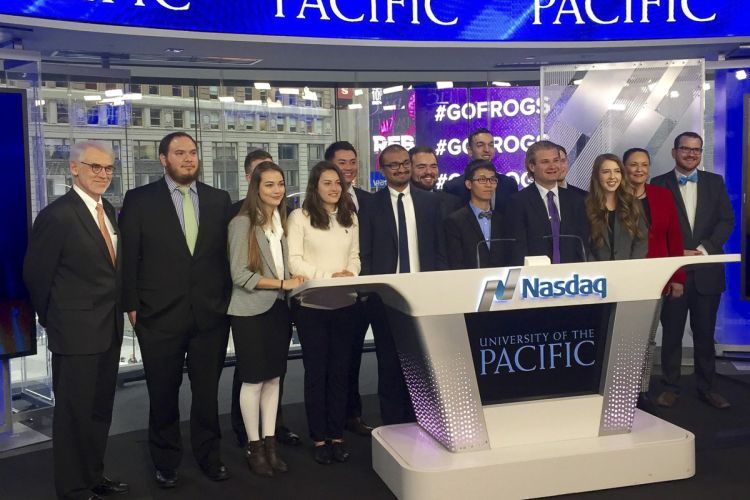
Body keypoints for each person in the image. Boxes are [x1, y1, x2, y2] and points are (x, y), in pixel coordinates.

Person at [119, 132, 232, 488]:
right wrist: (132, 308)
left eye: (193, 153)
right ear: (163, 158)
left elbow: (225, 259)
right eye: (180, 153)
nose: (188, 159)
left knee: (207, 395)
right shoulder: (139, 200)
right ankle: (165, 461)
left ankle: (209, 456)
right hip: (157, 317)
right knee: (163, 394)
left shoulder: (218, 199)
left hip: (210, 316)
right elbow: (128, 260)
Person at [24, 141, 129, 500]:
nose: (102, 174)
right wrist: (54, 321)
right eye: (94, 167)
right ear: (74, 168)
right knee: (73, 415)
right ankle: (72, 488)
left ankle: (94, 476)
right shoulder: (57, 215)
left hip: (110, 329)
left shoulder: (109, 210)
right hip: (75, 333)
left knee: (100, 411)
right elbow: (37, 276)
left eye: (108, 169)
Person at [359, 144, 447, 425]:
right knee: (389, 364)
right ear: (382, 170)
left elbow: (438, 249)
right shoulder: (371, 205)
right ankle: (394, 426)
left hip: (425, 295)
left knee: (424, 363)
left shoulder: (430, 202)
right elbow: (366, 251)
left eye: (405, 163)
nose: (400, 169)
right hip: (386, 296)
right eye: (393, 165)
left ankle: (423, 420)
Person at [227, 161, 304, 477]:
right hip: (249, 311)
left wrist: (291, 281)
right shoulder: (242, 223)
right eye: (269, 184)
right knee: (253, 379)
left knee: (274, 379)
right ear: (256, 187)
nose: (277, 190)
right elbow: (239, 274)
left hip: (278, 310)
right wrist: (283, 283)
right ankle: (254, 445)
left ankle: (271, 444)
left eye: (281, 184)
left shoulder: (281, 222)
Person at [650, 132, 734, 409]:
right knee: (671, 334)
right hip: (673, 272)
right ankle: (671, 386)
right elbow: (656, 228)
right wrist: (677, 253)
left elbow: (726, 220)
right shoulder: (658, 184)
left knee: (705, 334)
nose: (691, 154)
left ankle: (707, 387)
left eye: (696, 150)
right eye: (685, 149)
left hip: (707, 270)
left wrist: (705, 248)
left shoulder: (714, 182)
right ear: (674, 152)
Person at [288, 161, 361, 465]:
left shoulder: (350, 217)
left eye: (337, 183)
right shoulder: (300, 217)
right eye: (327, 182)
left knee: (340, 373)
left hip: (345, 303)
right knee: (317, 373)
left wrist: (350, 273)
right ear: (315, 186)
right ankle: (319, 439)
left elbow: (355, 257)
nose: (334, 188)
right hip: (312, 305)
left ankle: (337, 436)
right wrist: (329, 276)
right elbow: (294, 261)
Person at [623, 147, 686, 413]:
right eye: (633, 165)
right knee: (628, 338)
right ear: (624, 167)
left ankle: (642, 390)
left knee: (648, 339)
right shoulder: (615, 196)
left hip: (658, 277)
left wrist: (678, 277)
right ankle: (623, 389)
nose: (639, 170)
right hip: (626, 279)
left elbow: (674, 237)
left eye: (644, 165)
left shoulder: (662, 195)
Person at [324, 141, 374, 437]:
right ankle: (331, 418)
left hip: (365, 291)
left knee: (354, 357)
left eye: (353, 161)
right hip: (332, 293)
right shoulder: (313, 205)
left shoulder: (370, 200)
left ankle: (352, 414)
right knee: (332, 360)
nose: (349, 168)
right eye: (342, 162)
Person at [504, 140, 589, 265]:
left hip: (572, 277)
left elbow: (582, 243)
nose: (553, 166)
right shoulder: (518, 202)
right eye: (545, 162)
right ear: (532, 166)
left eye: (556, 160)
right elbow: (517, 249)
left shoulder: (576, 200)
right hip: (535, 279)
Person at [444, 159, 508, 269]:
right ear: (469, 184)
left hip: (500, 281)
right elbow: (455, 262)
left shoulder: (502, 220)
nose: (489, 185)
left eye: (492, 180)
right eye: (482, 180)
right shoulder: (455, 221)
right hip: (468, 281)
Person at [585, 153, 647, 261]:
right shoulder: (586, 206)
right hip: (597, 274)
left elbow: (641, 240)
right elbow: (585, 246)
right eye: (606, 172)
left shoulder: (633, 203)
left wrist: (632, 267)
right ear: (597, 175)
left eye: (617, 171)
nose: (612, 177)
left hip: (629, 271)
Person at [442, 128, 518, 213]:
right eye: (480, 145)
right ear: (470, 151)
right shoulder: (452, 188)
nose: (487, 150)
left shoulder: (509, 185)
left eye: (490, 145)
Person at [408, 145, 462, 219]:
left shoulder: (452, 203)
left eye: (433, 166)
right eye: (421, 167)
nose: (429, 171)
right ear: (409, 169)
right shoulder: (399, 202)